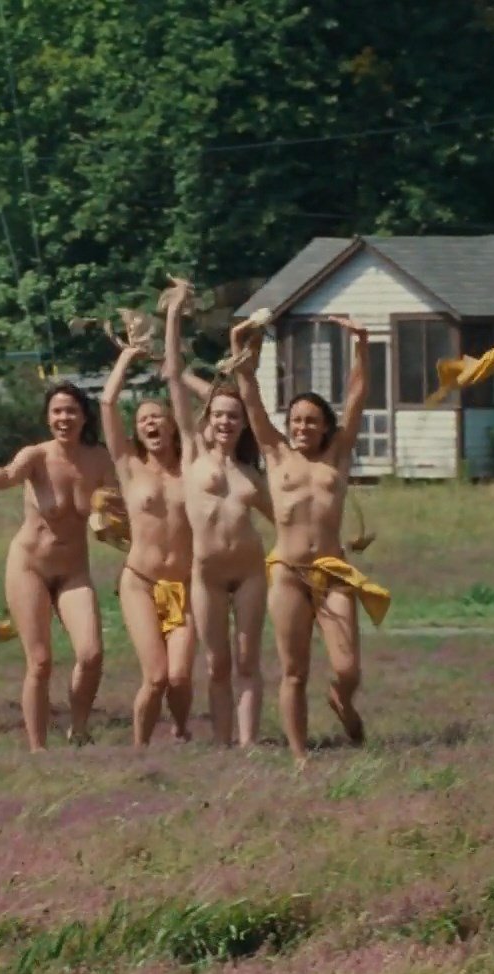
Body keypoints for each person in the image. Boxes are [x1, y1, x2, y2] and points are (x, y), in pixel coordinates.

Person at [231, 316, 390, 760]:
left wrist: (362, 344)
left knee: (347, 667)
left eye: (311, 421)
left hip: (333, 571)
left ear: (325, 426)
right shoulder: (275, 451)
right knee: (294, 671)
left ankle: (342, 699)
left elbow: (357, 395)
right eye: (296, 420)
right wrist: (238, 345)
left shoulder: (337, 454)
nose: (302, 427)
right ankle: (300, 756)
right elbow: (250, 396)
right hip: (287, 572)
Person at [0, 370, 117, 751]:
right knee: (41, 661)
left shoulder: (99, 459)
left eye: (71, 411)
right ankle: (38, 748)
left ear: (84, 416)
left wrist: (114, 516)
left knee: (91, 654)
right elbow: (7, 475)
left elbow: (118, 500)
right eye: (57, 411)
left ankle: (79, 729)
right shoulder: (36, 456)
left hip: (74, 571)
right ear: (47, 417)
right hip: (29, 567)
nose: (64, 418)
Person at [163, 289, 272, 747]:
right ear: (207, 420)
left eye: (234, 417)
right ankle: (224, 743)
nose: (226, 422)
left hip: (249, 572)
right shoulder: (192, 453)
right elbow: (173, 375)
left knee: (247, 660)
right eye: (219, 415)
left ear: (243, 424)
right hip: (205, 575)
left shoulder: (252, 474)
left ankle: (248, 744)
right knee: (216, 663)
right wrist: (174, 315)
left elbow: (285, 521)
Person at [98, 315, 196, 746]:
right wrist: (127, 357)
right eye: (143, 420)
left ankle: (180, 730)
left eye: (159, 417)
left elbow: (194, 403)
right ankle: (139, 749)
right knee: (156, 677)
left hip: (186, 585)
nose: (152, 424)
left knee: (180, 676)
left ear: (172, 425)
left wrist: (169, 366)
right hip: (140, 581)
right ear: (137, 430)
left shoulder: (192, 465)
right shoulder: (129, 466)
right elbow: (106, 404)